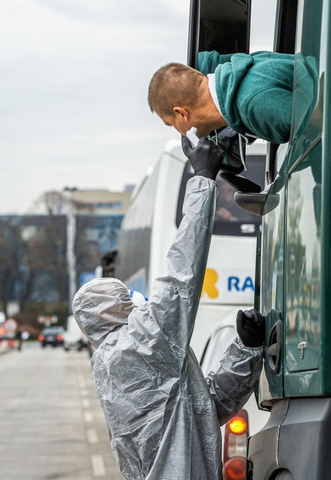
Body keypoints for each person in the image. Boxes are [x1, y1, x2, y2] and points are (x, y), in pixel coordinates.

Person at [72, 137, 265, 480]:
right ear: (107, 313)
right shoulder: (135, 345)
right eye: (124, 298)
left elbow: (207, 408)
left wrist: (245, 348)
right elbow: (181, 276)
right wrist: (203, 181)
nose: (134, 301)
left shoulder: (116, 360)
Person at [147, 50, 295, 145]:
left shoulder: (252, 104)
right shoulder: (246, 67)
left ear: (181, 113)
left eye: (171, 124)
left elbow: (316, 132)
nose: (180, 132)